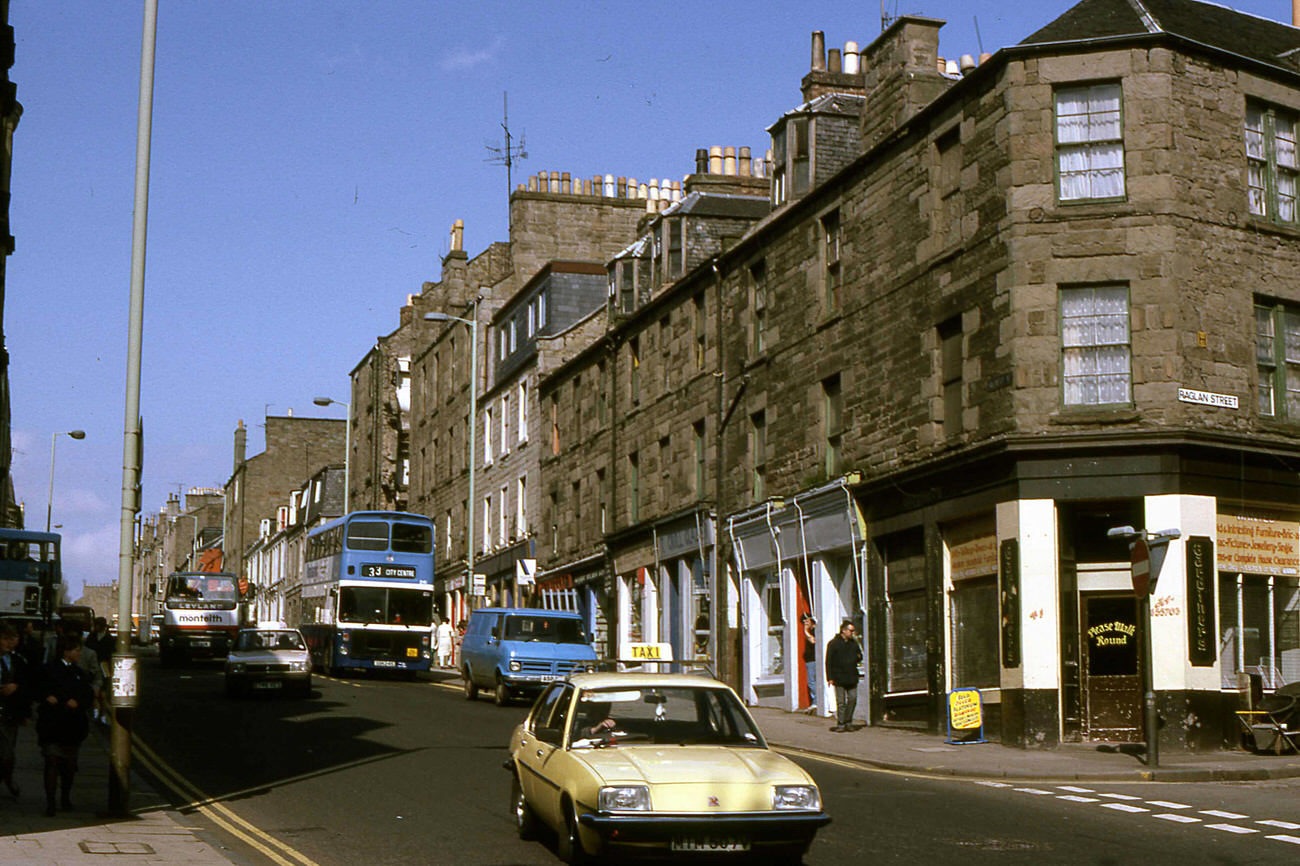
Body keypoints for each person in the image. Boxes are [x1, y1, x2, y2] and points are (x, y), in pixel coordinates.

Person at [36, 633, 94, 816]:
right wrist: (47, 696)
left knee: (69, 765)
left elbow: (87, 695)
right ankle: (51, 802)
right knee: (52, 761)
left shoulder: (79, 673)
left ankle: (65, 798)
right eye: (77, 650)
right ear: (67, 651)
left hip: (72, 726)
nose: (79, 653)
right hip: (52, 724)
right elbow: (37, 689)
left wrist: (78, 702)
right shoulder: (48, 669)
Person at [0, 621, 29, 797]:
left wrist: (16, 687)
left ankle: (7, 777)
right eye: (5, 639)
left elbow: (29, 683)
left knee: (7, 754)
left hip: (9, 714)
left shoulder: (16, 660)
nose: (10, 642)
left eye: (12, 638)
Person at [825, 619, 862, 733]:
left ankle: (848, 721)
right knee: (841, 702)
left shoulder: (853, 643)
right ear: (844, 631)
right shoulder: (834, 644)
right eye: (850, 631)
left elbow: (859, 656)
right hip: (839, 677)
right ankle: (841, 724)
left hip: (851, 676)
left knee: (853, 699)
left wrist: (857, 658)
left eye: (853, 631)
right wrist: (830, 677)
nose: (852, 633)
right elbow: (828, 661)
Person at [801, 614, 817, 712]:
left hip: (813, 659)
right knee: (811, 681)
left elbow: (813, 641)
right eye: (804, 622)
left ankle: (816, 702)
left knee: (812, 681)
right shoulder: (811, 631)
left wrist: (806, 631)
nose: (805, 624)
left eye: (806, 621)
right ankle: (815, 701)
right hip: (809, 660)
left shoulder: (814, 631)